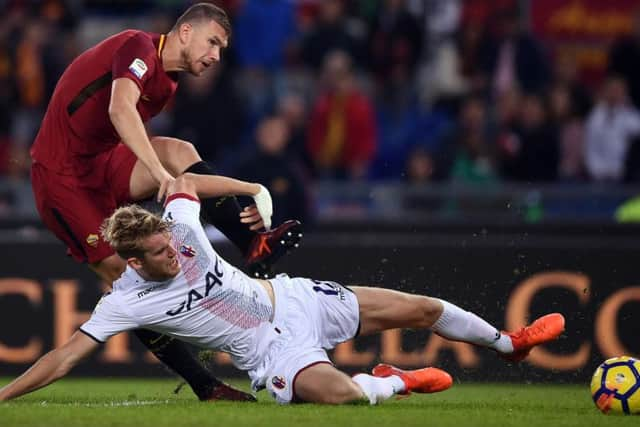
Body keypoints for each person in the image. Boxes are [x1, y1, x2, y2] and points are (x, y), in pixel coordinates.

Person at [0, 175, 566, 404]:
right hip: (269, 351)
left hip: (293, 299)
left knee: (420, 308)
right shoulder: (124, 301)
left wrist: (250, 188)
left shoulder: (178, 228)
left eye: (169, 241)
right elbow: (62, 357)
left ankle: (508, 345)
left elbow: (182, 181)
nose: (171, 250)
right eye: (156, 253)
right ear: (131, 260)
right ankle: (392, 382)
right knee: (343, 396)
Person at [29, 3, 303, 401]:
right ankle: (205, 384)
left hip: (102, 162)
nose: (215, 57)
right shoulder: (137, 46)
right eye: (212, 43)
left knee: (179, 151)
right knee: (125, 277)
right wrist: (160, 177)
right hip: (62, 178)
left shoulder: (168, 83)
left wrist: (184, 179)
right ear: (186, 32)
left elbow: (125, 133)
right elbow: (119, 109)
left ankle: (252, 246)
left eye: (222, 50)